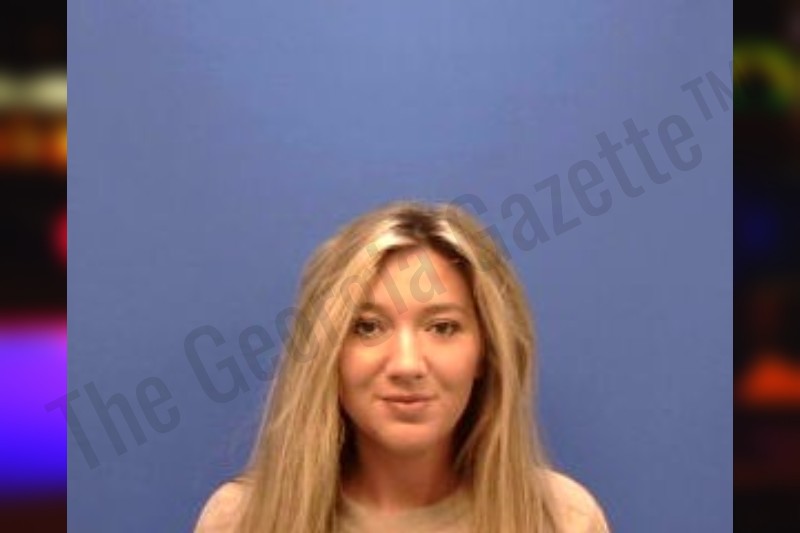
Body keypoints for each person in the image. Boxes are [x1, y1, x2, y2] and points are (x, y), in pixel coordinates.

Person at [194, 201, 610, 532]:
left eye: (442, 327)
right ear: (327, 354)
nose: (407, 364)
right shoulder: (242, 520)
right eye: (368, 327)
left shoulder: (561, 519)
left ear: (486, 353)